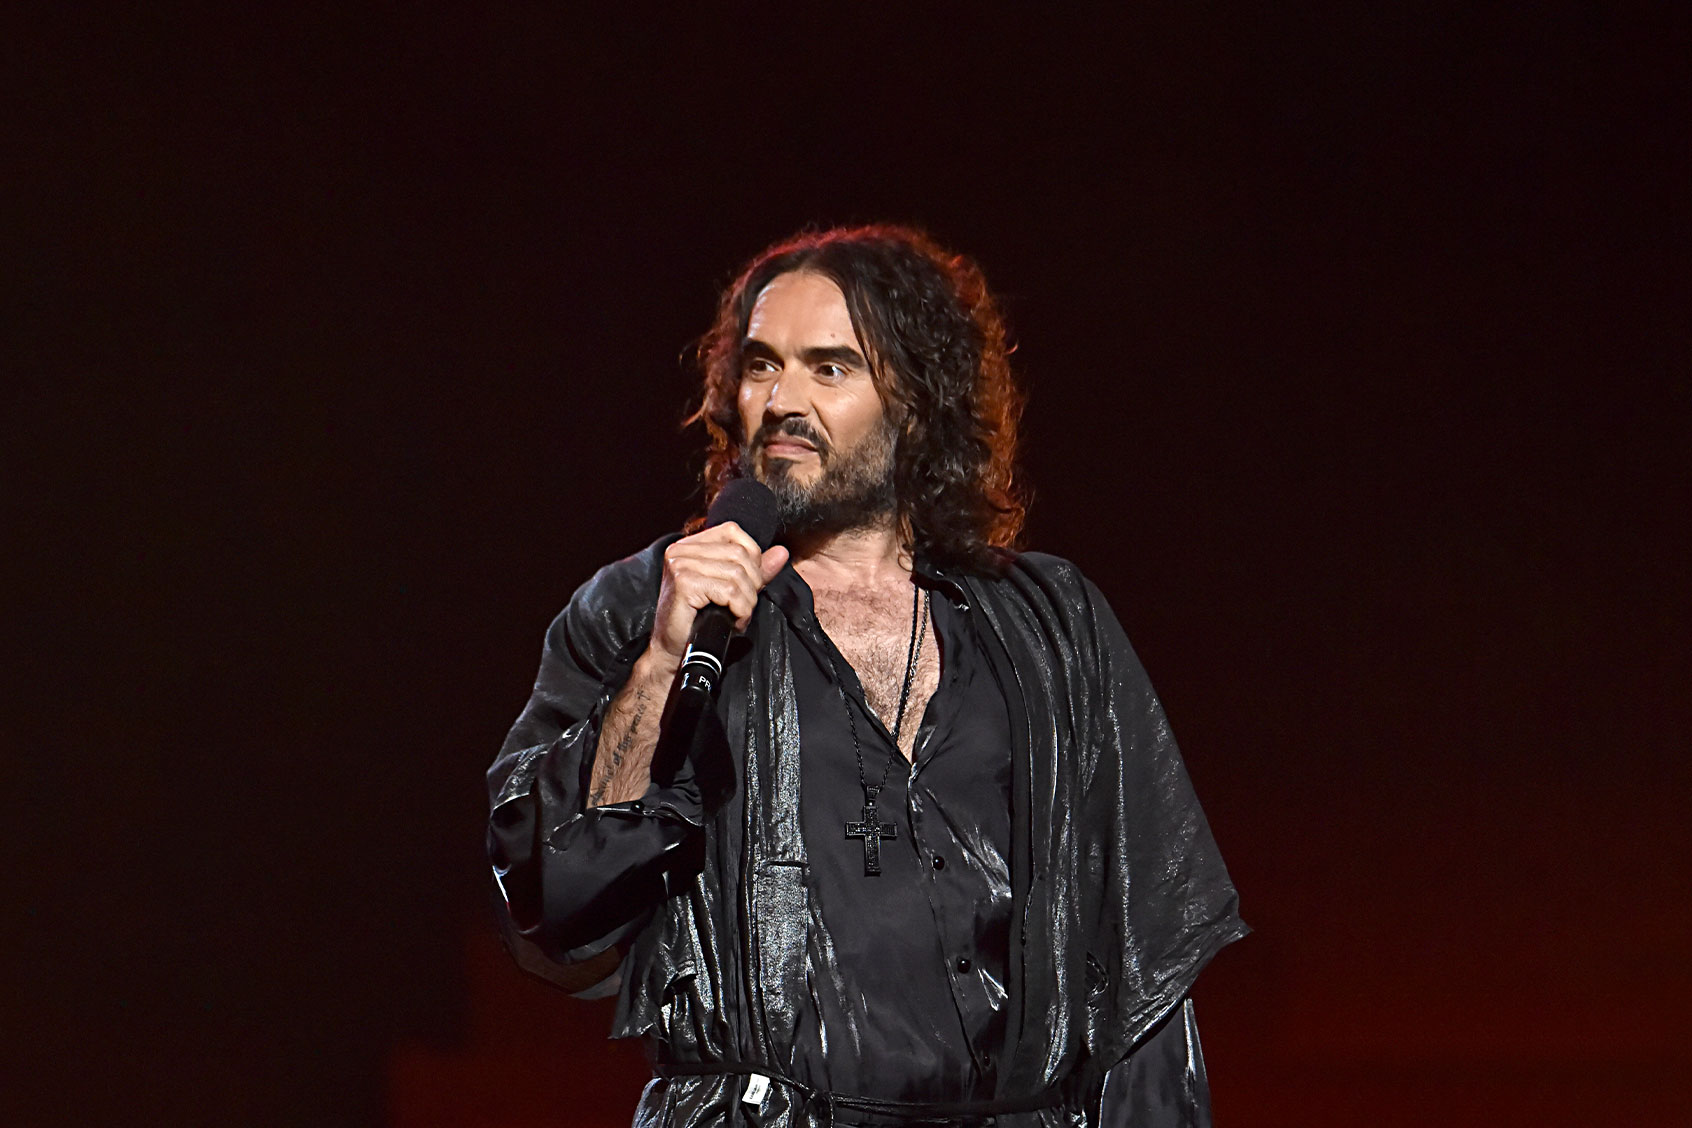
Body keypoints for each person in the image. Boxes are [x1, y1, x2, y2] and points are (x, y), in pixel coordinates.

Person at [487, 226, 1246, 1127]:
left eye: (830, 369)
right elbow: (556, 906)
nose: (784, 401)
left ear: (915, 402)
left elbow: (1142, 974)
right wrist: (659, 663)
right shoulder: (645, 607)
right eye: (763, 366)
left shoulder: (1051, 626)